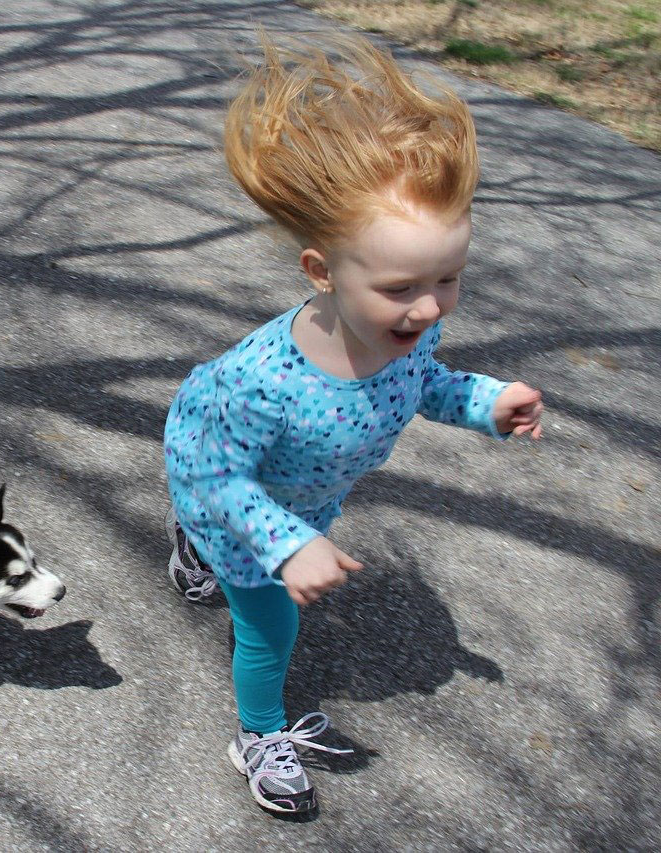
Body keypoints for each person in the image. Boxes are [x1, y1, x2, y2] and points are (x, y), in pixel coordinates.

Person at [163, 34, 544, 818]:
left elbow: (423, 383)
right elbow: (214, 473)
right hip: (236, 499)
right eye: (403, 285)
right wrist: (286, 542)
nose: (431, 306)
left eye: (449, 278)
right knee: (269, 630)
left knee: (254, 570)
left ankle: (193, 549)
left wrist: (487, 402)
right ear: (321, 271)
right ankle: (258, 733)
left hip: (302, 499)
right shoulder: (262, 383)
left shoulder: (410, 331)